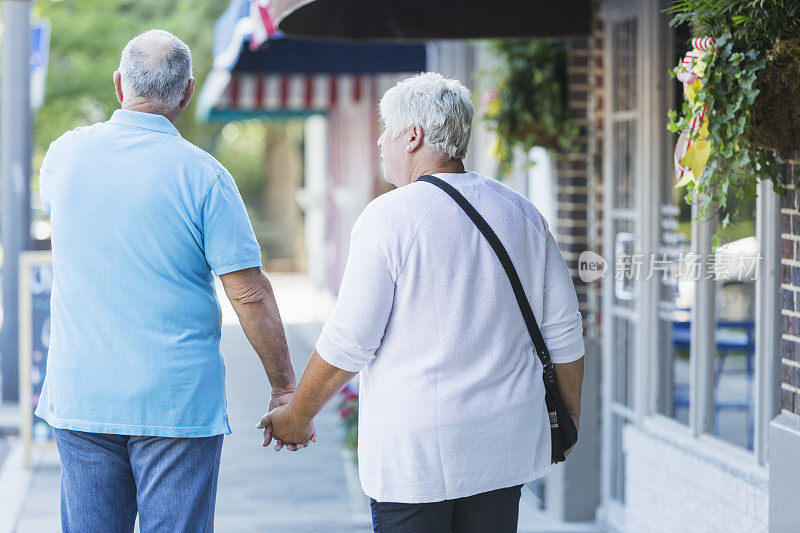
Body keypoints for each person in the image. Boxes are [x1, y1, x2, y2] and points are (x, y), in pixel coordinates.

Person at [258, 72, 585, 532]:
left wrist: (298, 413)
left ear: (412, 136)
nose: (378, 142)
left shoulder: (389, 218)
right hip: (503, 449)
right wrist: (569, 415)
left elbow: (350, 341)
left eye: (385, 131)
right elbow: (565, 332)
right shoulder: (522, 213)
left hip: (418, 460)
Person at [36, 29, 301, 532]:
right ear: (187, 92)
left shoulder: (64, 156)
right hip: (175, 403)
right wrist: (284, 387)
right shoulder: (206, 177)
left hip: (84, 396)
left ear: (119, 85)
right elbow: (248, 292)